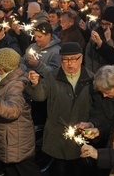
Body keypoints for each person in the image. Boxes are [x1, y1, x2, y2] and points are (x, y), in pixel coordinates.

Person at [26, 42, 94, 175]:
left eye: (74, 59)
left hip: (81, 135)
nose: (70, 63)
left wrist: (91, 128)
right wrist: (35, 84)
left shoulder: (91, 78)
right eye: (65, 60)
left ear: (81, 58)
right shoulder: (53, 75)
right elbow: (40, 97)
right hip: (57, 136)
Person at [0, 48, 41, 176]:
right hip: (7, 137)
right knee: (11, 170)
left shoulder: (16, 85)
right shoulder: (3, 78)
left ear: (1, 66)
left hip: (16, 140)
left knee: (25, 170)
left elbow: (14, 111)